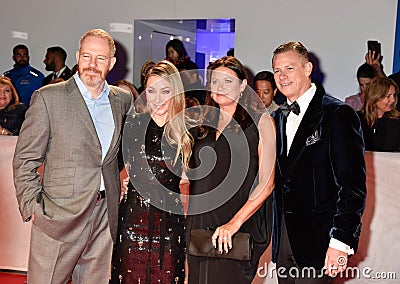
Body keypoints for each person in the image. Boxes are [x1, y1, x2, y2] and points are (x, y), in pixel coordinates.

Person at [13, 29, 132, 284]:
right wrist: (33, 207)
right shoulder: (48, 98)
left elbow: (119, 152)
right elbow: (25, 159)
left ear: (111, 63)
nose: (92, 64)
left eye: (100, 58)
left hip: (104, 215)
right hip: (58, 216)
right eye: (87, 56)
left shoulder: (122, 100)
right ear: (78, 56)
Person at [270, 41, 366, 283]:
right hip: (284, 241)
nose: (282, 76)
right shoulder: (276, 117)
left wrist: (341, 241)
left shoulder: (337, 114)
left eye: (289, 68)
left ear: (308, 68)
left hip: (320, 243)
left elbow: (352, 186)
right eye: (277, 70)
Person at [186, 56, 276, 283]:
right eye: (215, 82)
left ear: (243, 85)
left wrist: (234, 223)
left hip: (237, 225)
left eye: (228, 81)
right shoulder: (202, 123)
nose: (220, 88)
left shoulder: (261, 123)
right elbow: (189, 172)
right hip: (199, 224)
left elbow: (267, 183)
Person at [111, 60, 193, 284]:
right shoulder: (132, 124)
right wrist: (119, 186)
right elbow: (110, 165)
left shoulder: (188, 130)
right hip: (131, 219)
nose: (158, 99)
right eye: (152, 91)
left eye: (165, 91)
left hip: (170, 223)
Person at [357, 77, 400, 151]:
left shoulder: (397, 121)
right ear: (375, 97)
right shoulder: (356, 120)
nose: (393, 100)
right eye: (388, 96)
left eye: (394, 95)